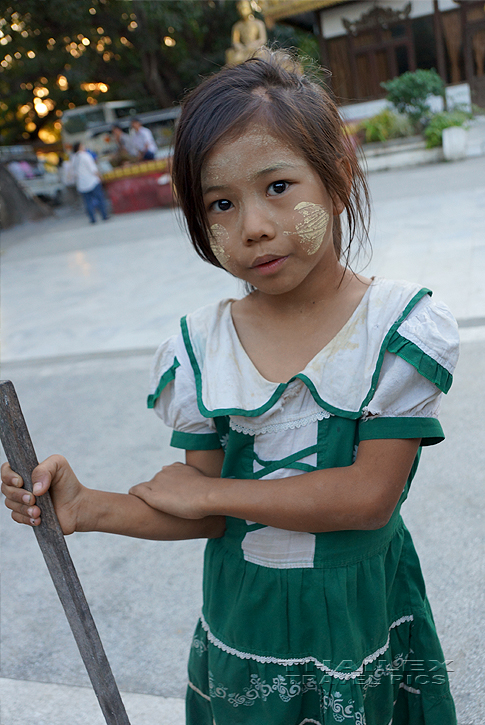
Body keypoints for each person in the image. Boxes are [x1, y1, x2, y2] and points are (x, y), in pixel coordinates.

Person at [2, 49, 459, 724]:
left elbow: (365, 497)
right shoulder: (199, 350)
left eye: (277, 186)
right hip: (244, 625)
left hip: (355, 618)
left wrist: (211, 491)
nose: (253, 226)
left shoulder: (396, 328)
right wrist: (84, 506)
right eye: (221, 202)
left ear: (336, 177)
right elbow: (206, 515)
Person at [72, 141, 109, 223]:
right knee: (99, 199)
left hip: (81, 183)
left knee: (88, 202)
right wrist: (100, 176)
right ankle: (104, 215)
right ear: (80, 147)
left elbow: (74, 172)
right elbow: (93, 169)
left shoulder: (74, 158)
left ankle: (92, 219)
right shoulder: (85, 156)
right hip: (92, 181)